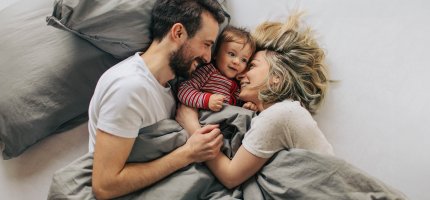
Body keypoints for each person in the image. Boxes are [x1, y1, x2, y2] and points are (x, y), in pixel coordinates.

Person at [176, 12, 334, 189]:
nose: (241, 73)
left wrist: (191, 124)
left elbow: (230, 176)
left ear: (276, 77)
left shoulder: (281, 114)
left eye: (250, 65)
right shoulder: (270, 114)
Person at [87, 0, 227, 199]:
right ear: (178, 33)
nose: (208, 57)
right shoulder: (128, 88)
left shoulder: (171, 84)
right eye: (206, 45)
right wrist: (189, 153)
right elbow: (105, 185)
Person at [177, 26, 257, 112]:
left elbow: (235, 108)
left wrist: (246, 107)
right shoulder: (207, 72)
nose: (237, 62)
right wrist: (207, 100)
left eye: (244, 60)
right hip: (203, 117)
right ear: (215, 54)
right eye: (231, 54)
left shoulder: (239, 83)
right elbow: (183, 90)